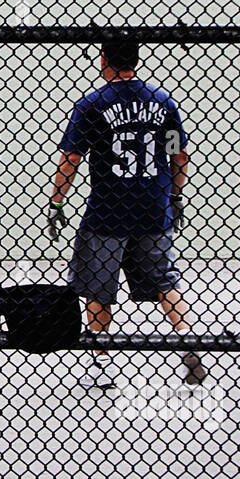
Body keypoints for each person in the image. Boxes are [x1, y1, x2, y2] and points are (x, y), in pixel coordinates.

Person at [47, 43, 206, 386]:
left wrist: (57, 201)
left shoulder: (91, 104)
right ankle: (186, 338)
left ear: (104, 59)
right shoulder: (163, 101)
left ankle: (101, 364)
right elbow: (179, 155)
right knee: (165, 279)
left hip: (108, 209)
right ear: (136, 59)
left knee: (98, 287)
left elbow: (71, 159)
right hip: (152, 206)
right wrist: (174, 195)